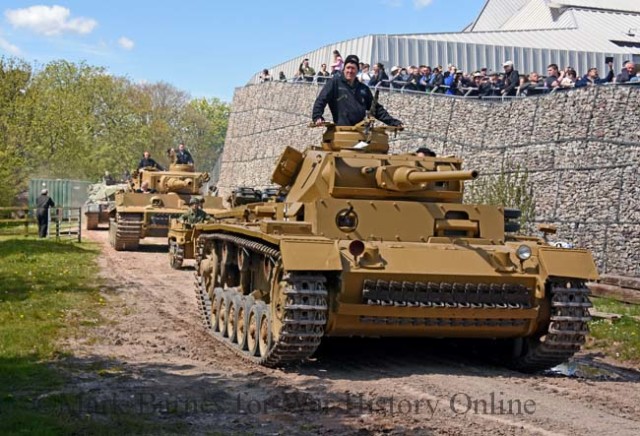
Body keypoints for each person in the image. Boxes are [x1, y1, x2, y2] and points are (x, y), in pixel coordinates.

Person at [312, 54, 403, 127]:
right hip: (341, 131)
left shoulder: (363, 88)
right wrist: (317, 116)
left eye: (353, 68)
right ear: (344, 69)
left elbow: (376, 109)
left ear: (357, 70)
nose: (350, 71)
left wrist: (393, 122)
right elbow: (321, 99)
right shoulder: (334, 83)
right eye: (348, 68)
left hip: (360, 131)